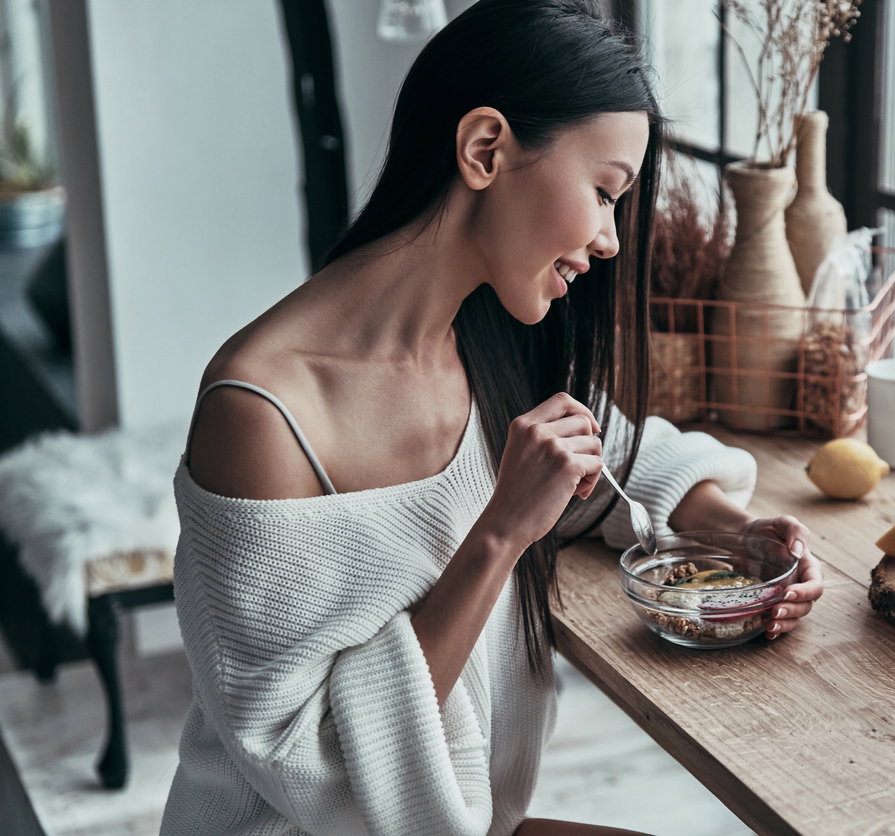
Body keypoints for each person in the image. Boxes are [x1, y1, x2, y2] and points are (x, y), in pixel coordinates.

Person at [160, 1, 823, 834]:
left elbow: (613, 460)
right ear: (484, 150)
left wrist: (742, 537)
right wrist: (501, 531)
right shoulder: (261, 413)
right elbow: (314, 765)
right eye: (603, 191)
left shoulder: (482, 339)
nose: (612, 238)